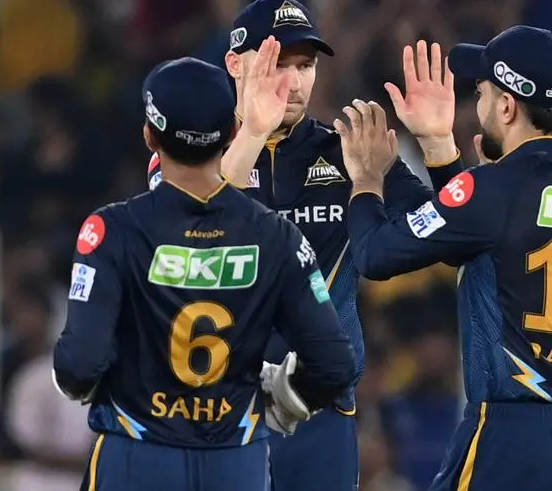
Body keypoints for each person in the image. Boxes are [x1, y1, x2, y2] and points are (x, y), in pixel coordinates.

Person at [147, 0, 434, 490]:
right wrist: (253, 133)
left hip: (321, 409)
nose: (295, 80)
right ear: (235, 64)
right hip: (217, 405)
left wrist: (435, 146)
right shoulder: (191, 144)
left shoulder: (345, 151)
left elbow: (446, 229)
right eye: (278, 62)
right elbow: (179, 229)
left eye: (305, 65)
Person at [336, 25, 552, 490]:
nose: (478, 105)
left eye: (483, 92)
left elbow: (375, 254)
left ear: (508, 106)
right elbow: (478, 242)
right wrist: (434, 149)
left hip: (512, 434)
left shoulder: (494, 191)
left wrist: (368, 180)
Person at [54, 57, 355, 491]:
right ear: (232, 135)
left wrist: (80, 380)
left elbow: (79, 365)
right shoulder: (278, 238)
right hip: (237, 462)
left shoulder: (111, 231)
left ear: (149, 136)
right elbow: (334, 366)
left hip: (136, 454)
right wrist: (286, 398)